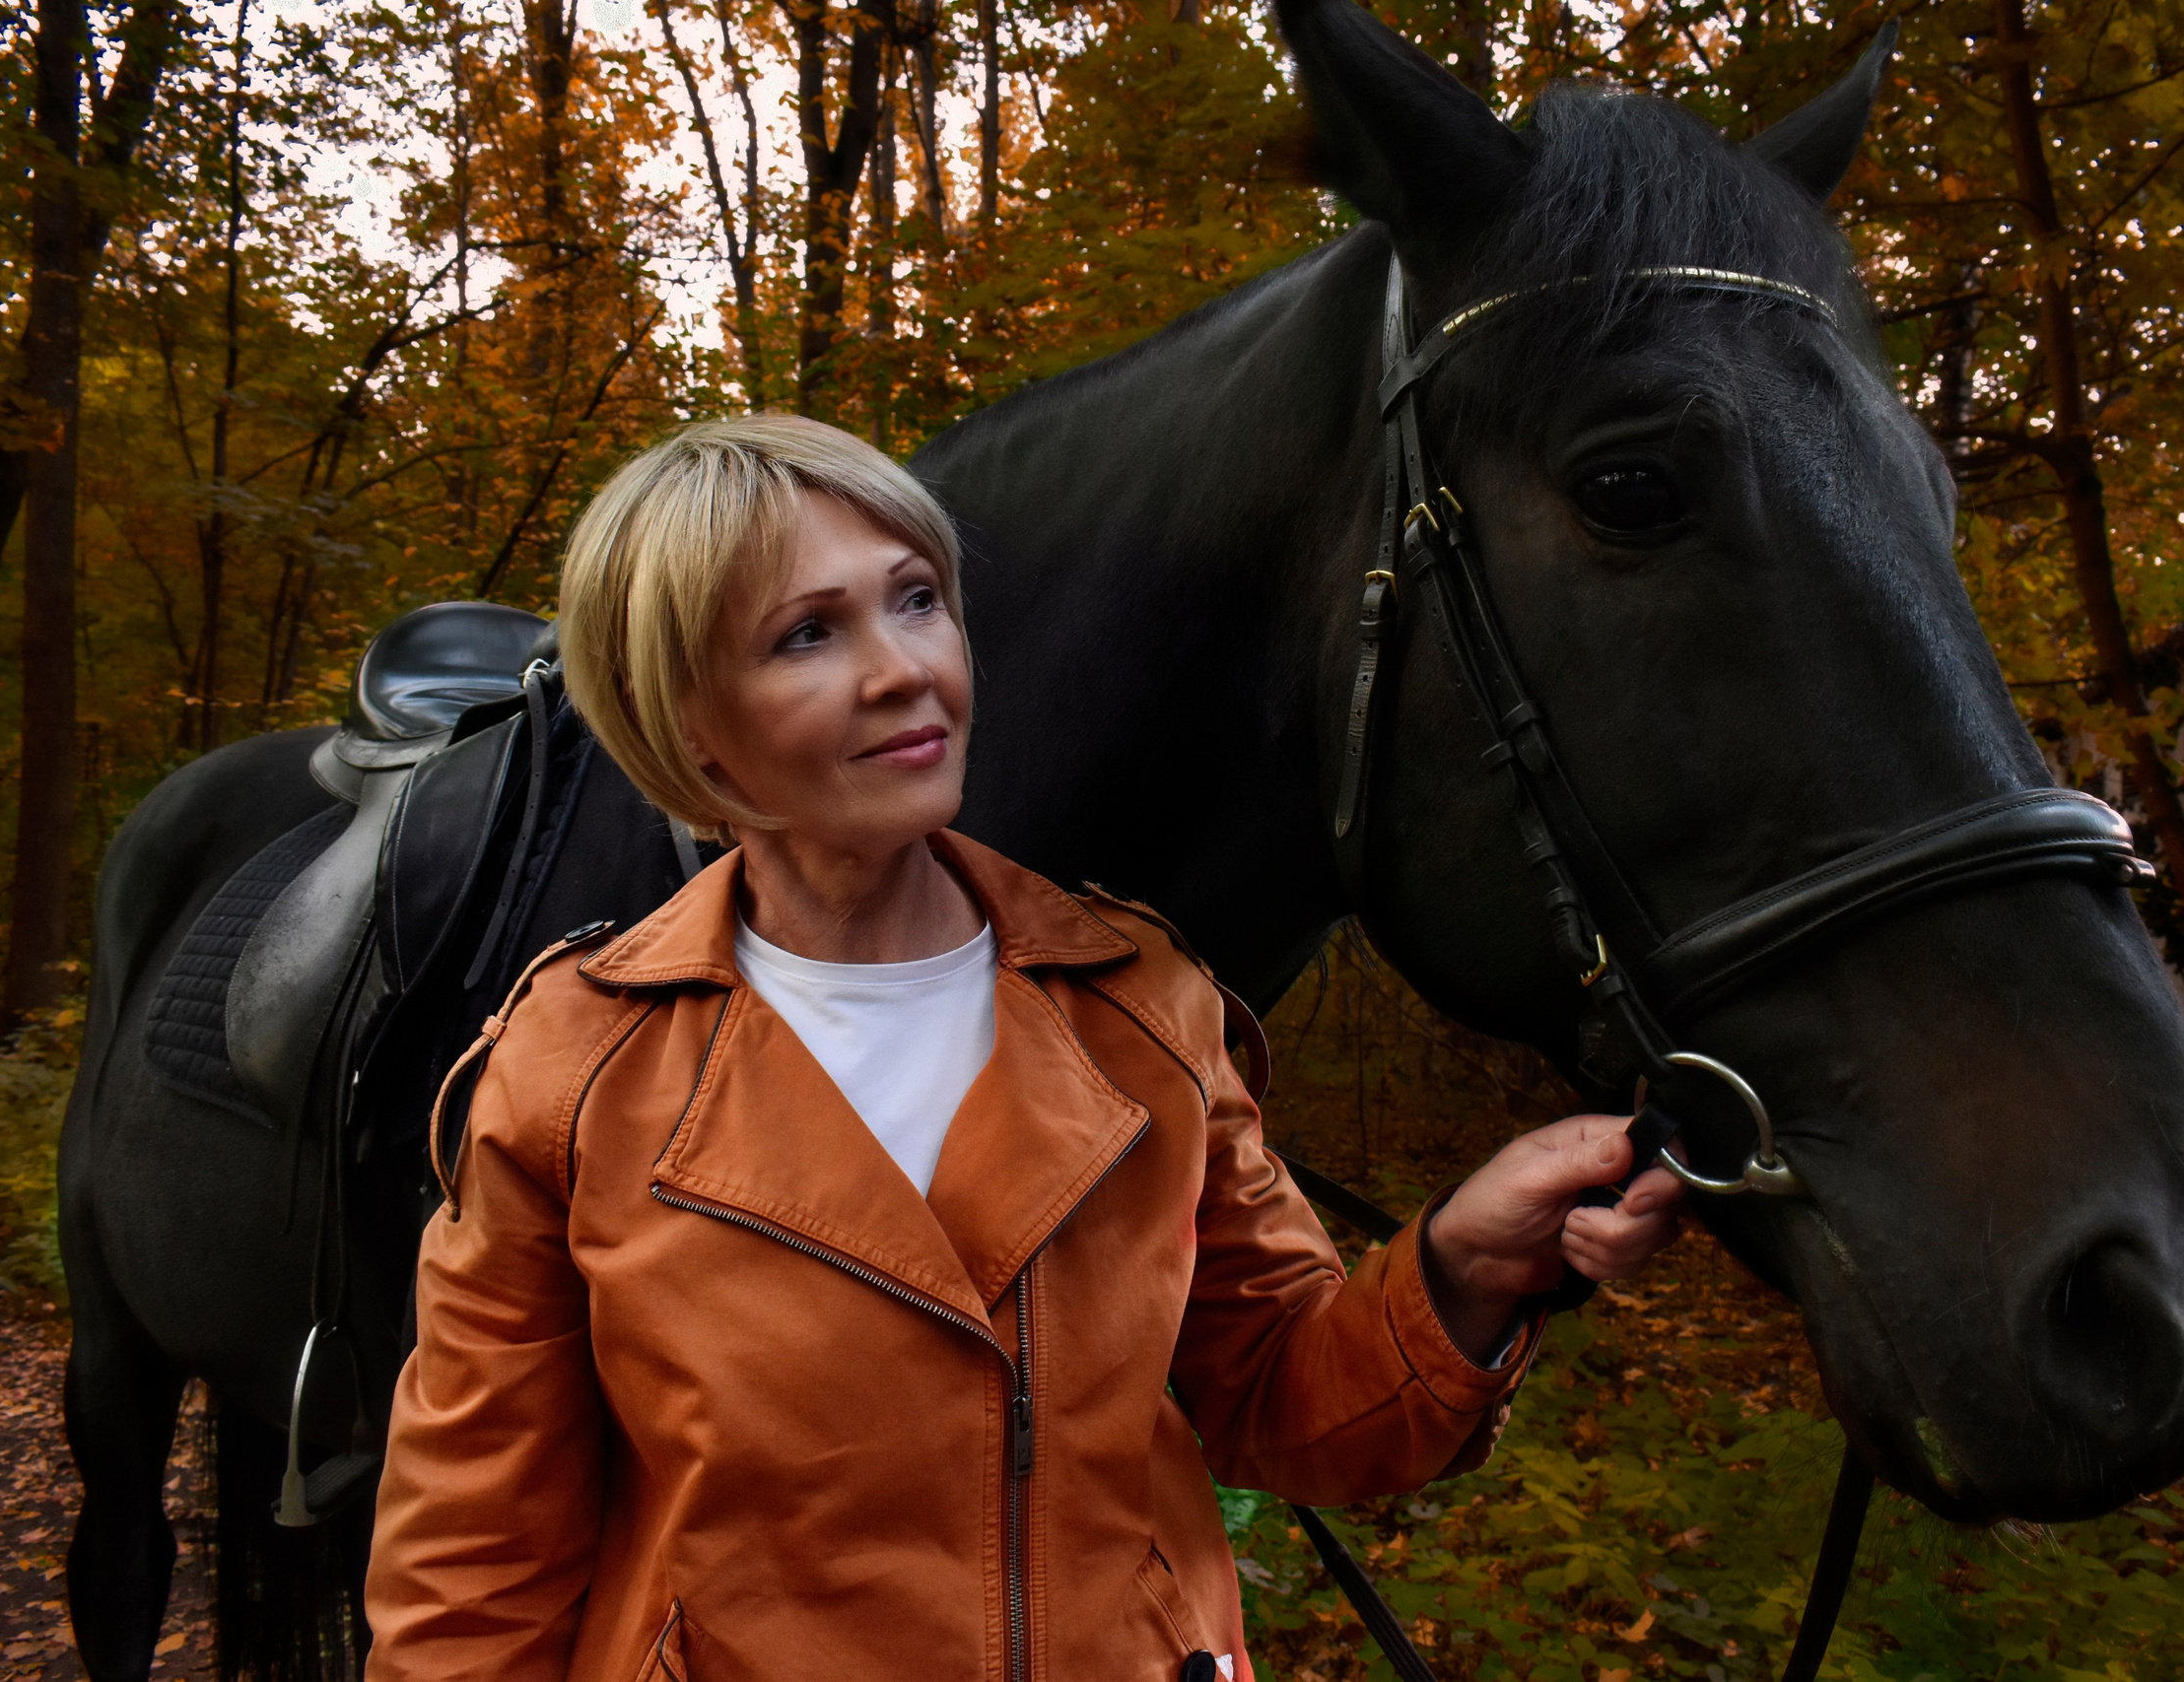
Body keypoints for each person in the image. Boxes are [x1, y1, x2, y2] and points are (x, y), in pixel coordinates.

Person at [362, 415, 1685, 1681]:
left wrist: (1461, 1268)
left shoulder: (1139, 1005)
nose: (904, 669)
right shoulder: (575, 1071)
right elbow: (473, 1569)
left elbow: (1279, 1393)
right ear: (690, 728)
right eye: (809, 633)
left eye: (917, 599)